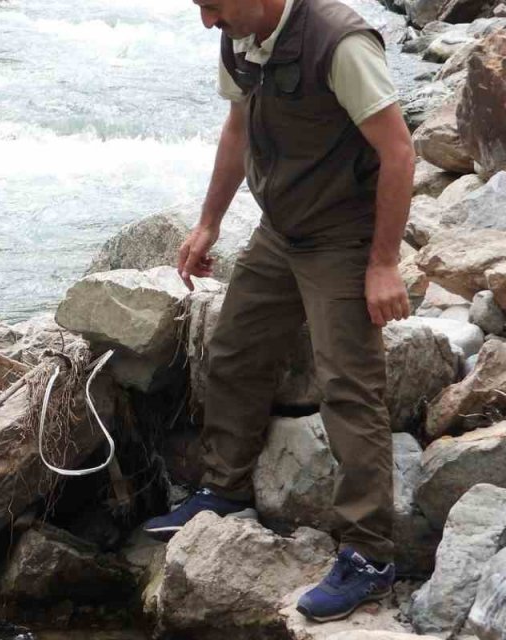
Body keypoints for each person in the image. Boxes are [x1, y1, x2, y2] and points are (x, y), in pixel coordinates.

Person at [143, 0, 416, 623]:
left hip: (345, 236)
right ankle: (225, 491)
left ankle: (370, 555)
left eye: (212, 6)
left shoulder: (339, 41)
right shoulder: (240, 38)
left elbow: (399, 152)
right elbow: (238, 131)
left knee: (348, 385)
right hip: (280, 230)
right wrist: (209, 222)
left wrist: (383, 263)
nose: (207, 22)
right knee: (234, 348)